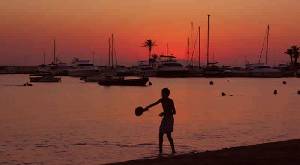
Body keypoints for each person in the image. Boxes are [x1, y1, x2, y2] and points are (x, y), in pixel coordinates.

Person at [144, 88, 176, 154]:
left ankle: (173, 150)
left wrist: (164, 113)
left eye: (163, 93)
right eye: (161, 93)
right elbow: (154, 104)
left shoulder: (170, 101)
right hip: (165, 119)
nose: (161, 94)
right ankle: (160, 151)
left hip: (169, 119)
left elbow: (174, 112)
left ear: (167, 94)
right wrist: (146, 108)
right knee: (160, 134)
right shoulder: (161, 100)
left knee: (168, 135)